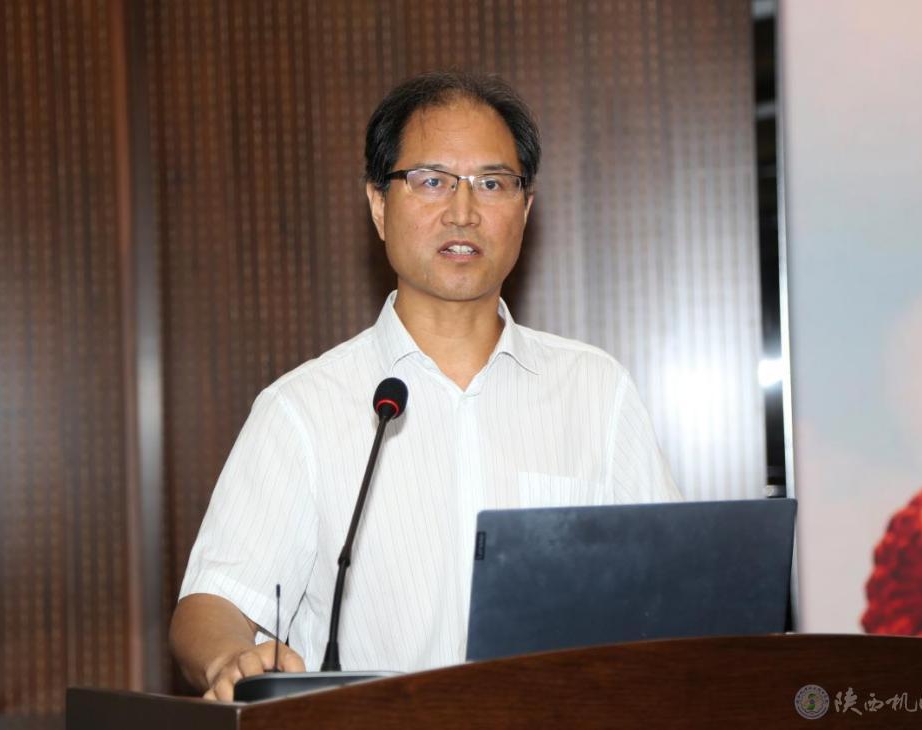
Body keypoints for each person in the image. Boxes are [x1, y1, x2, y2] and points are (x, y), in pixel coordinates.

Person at [169, 71, 681, 701]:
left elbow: (671, 592)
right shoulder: (302, 408)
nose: (463, 212)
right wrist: (230, 657)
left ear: (525, 209)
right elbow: (213, 602)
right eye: (432, 181)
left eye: (492, 183)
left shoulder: (597, 393)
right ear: (379, 205)